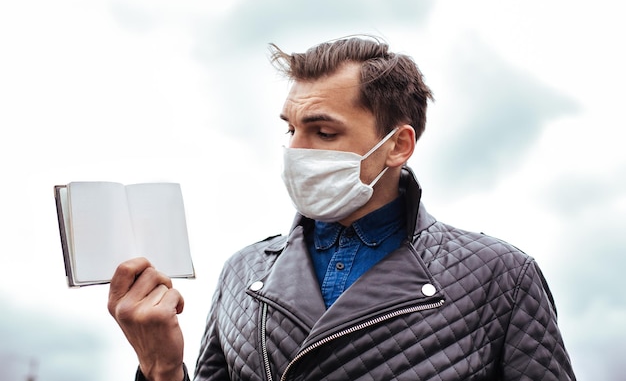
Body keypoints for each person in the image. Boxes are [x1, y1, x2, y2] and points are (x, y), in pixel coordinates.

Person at [108, 36, 576, 381]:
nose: (296, 149)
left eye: (323, 133)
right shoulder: (242, 272)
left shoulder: (500, 276)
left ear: (397, 146)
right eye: (290, 129)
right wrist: (161, 368)